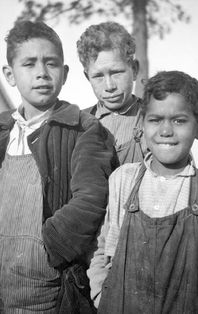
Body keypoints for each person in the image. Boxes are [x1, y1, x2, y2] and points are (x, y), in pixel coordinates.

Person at [87, 70, 198, 313]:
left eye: (179, 120)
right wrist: (101, 297)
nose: (165, 130)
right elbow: (103, 249)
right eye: (155, 120)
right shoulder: (122, 181)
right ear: (143, 124)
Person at [0, 20, 116, 313]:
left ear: (64, 74)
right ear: (9, 75)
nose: (41, 73)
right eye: (29, 64)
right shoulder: (2, 132)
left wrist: (48, 246)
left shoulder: (83, 129)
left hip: (52, 293)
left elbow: (91, 199)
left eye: (51, 63)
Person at [76, 21, 147, 165]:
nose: (109, 86)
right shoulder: (78, 124)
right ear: (87, 77)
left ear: (134, 69)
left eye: (116, 73)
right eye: (98, 76)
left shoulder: (153, 118)